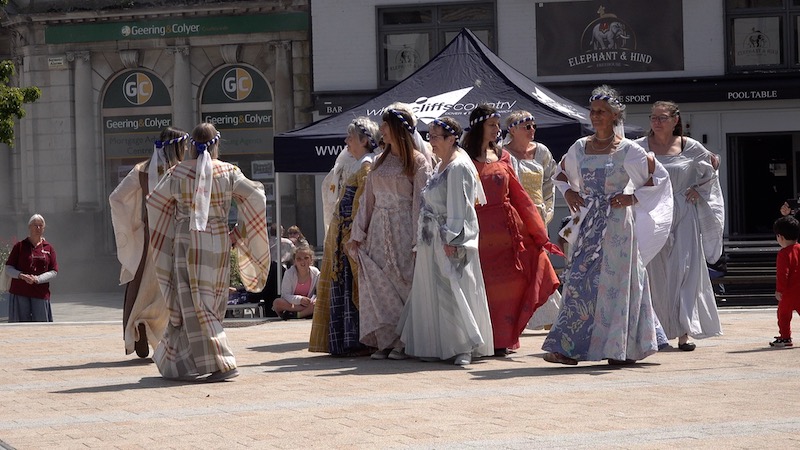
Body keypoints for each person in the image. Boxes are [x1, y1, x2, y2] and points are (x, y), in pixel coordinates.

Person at [542, 85, 673, 366]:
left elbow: (658, 179)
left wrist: (632, 197)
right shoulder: (580, 147)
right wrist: (568, 192)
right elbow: (560, 173)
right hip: (589, 222)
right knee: (578, 281)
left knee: (616, 284)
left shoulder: (629, 150)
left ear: (615, 115)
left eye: (601, 112)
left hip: (617, 227)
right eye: (593, 111)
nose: (595, 116)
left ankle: (619, 348)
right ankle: (568, 347)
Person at [146, 122, 270, 382]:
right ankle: (183, 363)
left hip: (185, 241)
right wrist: (239, 231)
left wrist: (172, 222)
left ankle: (222, 362)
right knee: (210, 303)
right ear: (216, 144)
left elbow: (154, 202)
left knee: (190, 303)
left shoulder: (177, 172)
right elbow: (256, 196)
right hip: (218, 242)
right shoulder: (229, 171)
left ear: (191, 144)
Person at [463, 104, 561, 356]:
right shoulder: (464, 158)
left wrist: (538, 233)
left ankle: (504, 339)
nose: (497, 130)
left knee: (512, 286)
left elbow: (519, 196)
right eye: (492, 125)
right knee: (487, 289)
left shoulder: (503, 156)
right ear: (479, 127)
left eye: (498, 125)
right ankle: (488, 339)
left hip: (509, 232)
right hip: (480, 233)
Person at [396, 117, 494, 365]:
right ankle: (437, 344)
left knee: (454, 288)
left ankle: (464, 345)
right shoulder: (441, 165)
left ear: (451, 139)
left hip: (449, 238)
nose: (431, 141)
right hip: (431, 237)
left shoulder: (459, 166)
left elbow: (461, 208)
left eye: (436, 136)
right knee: (433, 290)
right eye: (429, 136)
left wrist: (454, 238)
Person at [636, 100, 724, 351]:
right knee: (655, 271)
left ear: (676, 120)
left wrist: (699, 189)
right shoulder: (640, 147)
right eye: (653, 117)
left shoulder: (691, 147)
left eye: (662, 117)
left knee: (684, 269)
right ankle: (658, 332)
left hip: (683, 213)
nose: (656, 121)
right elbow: (626, 174)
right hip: (653, 214)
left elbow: (711, 171)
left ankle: (685, 331)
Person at [346, 102, 432, 360]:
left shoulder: (417, 162)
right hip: (378, 230)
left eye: (385, 125)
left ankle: (404, 341)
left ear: (396, 128)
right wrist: (358, 232)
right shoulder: (379, 161)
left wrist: (419, 240)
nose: (381, 129)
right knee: (379, 284)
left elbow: (422, 202)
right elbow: (367, 200)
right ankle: (386, 338)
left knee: (403, 285)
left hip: (404, 227)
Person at [109, 126, 188, 358]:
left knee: (144, 284)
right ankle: (161, 334)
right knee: (170, 290)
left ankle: (139, 322)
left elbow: (116, 197)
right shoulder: (182, 171)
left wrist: (133, 223)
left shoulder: (142, 169)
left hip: (148, 236)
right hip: (174, 236)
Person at [310, 117, 381, 356]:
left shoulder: (367, 165)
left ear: (363, 140)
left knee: (353, 288)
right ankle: (345, 340)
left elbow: (363, 204)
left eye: (350, 138)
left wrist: (353, 234)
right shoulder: (355, 163)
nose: (346, 141)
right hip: (343, 234)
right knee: (344, 287)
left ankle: (358, 341)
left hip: (353, 235)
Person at [502, 110, 562, 331]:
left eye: (533, 126)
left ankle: (549, 314)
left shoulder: (542, 152)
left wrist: (545, 212)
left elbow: (549, 183)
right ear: (513, 129)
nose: (532, 130)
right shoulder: (502, 153)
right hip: (513, 217)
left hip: (536, 214)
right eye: (526, 127)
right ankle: (519, 316)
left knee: (540, 265)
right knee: (517, 267)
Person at [4, 214, 59, 322]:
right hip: (20, 292)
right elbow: (8, 268)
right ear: (29, 227)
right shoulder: (19, 246)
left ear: (43, 228)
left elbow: (54, 271)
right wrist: (21, 275)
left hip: (40, 292)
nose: (38, 228)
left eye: (40, 225)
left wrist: (38, 279)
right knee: (20, 326)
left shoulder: (49, 248)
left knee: (41, 326)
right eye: (35, 225)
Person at [771, 216, 800, 347]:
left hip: (789, 292)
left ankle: (785, 337)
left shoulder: (783, 253)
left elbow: (783, 274)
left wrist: (779, 290)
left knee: (783, 315)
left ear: (780, 237)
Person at [273, 243, 320, 320]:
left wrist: (314, 300)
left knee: (320, 302)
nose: (303, 261)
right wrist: (300, 300)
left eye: (306, 258)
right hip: (292, 304)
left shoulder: (316, 273)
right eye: (299, 259)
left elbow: (319, 293)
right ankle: (306, 312)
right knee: (277, 303)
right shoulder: (289, 273)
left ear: (311, 260)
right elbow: (285, 295)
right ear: (294, 261)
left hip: (309, 303)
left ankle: (297, 315)